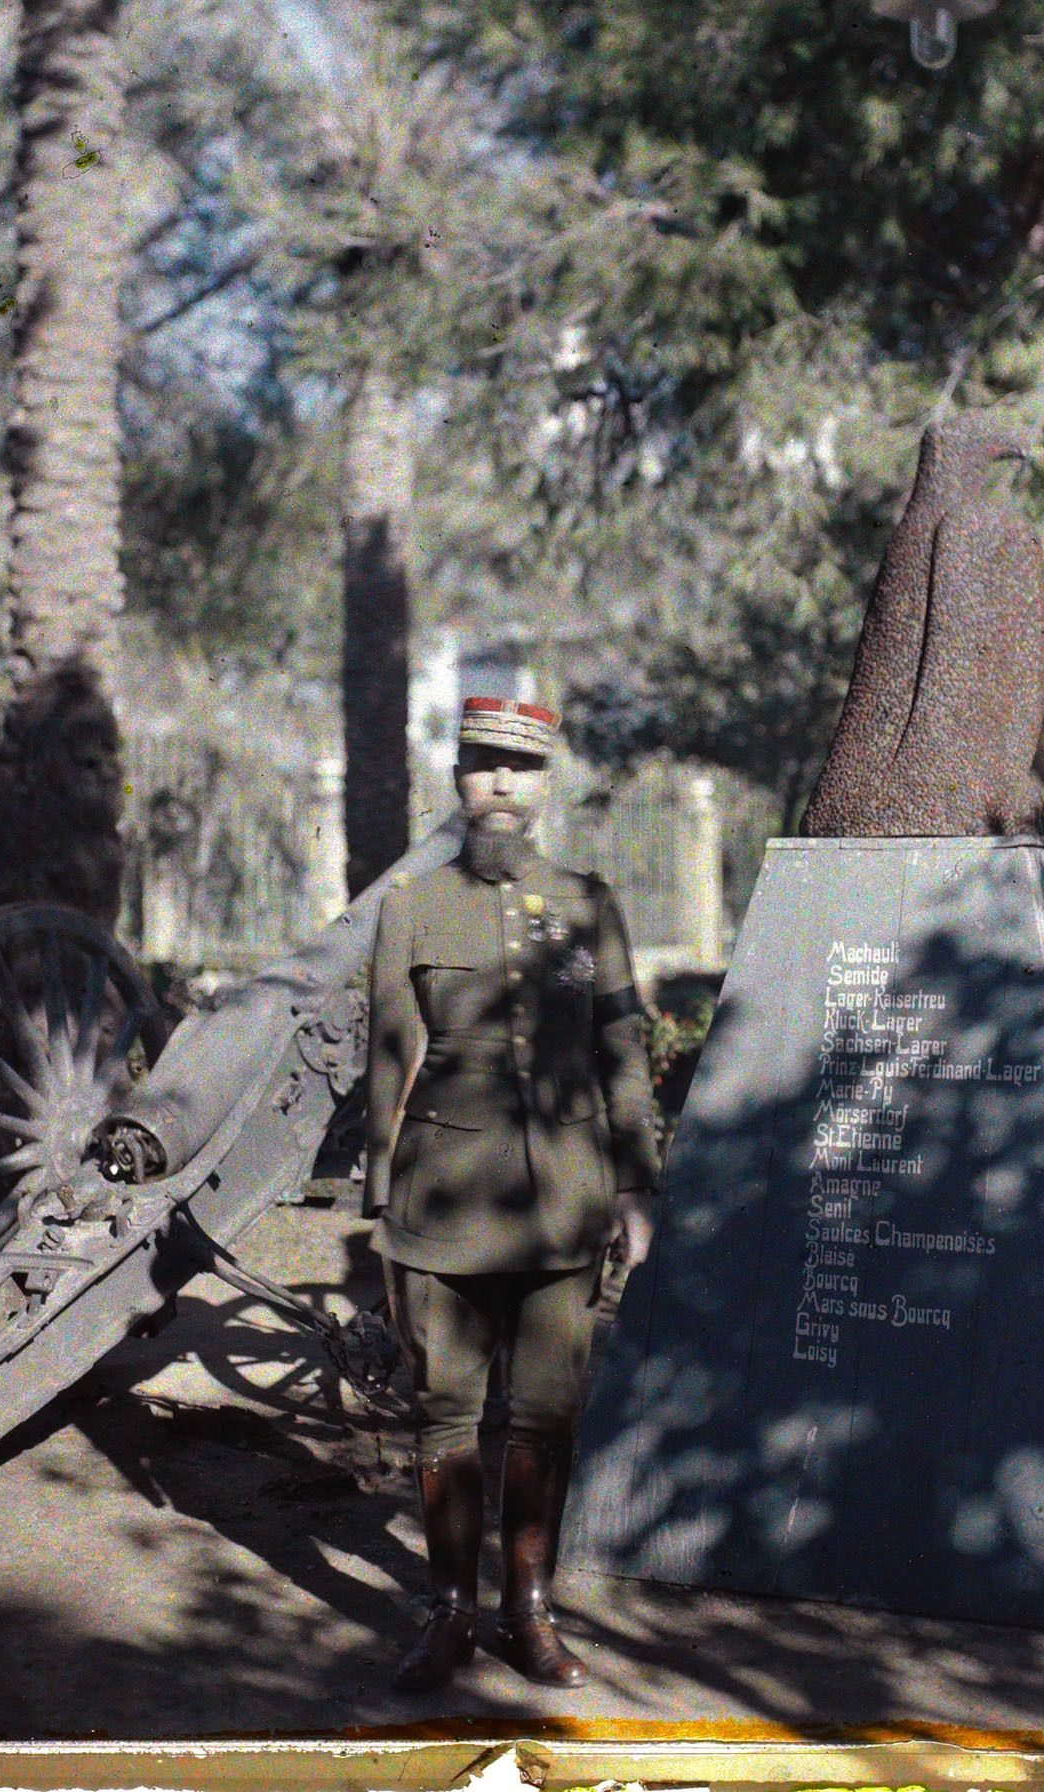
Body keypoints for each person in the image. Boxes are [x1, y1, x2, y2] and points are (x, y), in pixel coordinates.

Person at [364, 696, 659, 1693]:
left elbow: (621, 1046)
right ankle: (448, 1612)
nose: (499, 783)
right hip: (442, 1203)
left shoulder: (587, 903)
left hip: (563, 1202)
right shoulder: (409, 906)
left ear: (544, 785)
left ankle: (530, 1612)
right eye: (481, 763)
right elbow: (390, 1059)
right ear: (455, 778)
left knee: (544, 1416)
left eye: (519, 768)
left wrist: (634, 1182)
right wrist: (378, 1205)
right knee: (444, 1413)